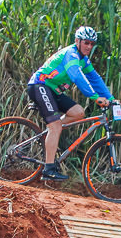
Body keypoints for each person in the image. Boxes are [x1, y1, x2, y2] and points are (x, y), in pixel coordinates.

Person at [27, 26, 116, 181]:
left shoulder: (84, 60)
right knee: (55, 125)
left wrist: (111, 98)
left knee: (78, 112)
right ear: (77, 41)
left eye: (91, 44)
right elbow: (76, 76)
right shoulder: (71, 54)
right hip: (39, 85)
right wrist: (95, 97)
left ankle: (51, 134)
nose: (89, 46)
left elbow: (95, 79)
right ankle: (48, 169)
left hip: (53, 91)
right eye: (86, 43)